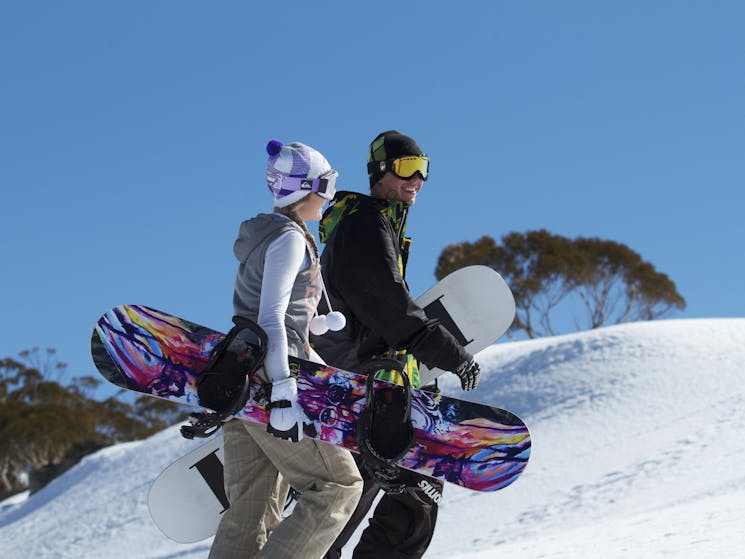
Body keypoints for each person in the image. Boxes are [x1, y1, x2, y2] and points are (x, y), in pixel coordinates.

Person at [312, 130, 481, 559]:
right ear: (380, 173)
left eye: (423, 169)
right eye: (407, 168)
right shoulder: (364, 223)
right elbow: (389, 305)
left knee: (396, 489)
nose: (417, 179)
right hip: (364, 382)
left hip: (376, 378)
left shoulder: (377, 223)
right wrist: (449, 354)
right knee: (398, 487)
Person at [208, 139, 363, 559]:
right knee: (338, 488)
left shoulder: (270, 235)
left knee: (251, 511)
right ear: (305, 188)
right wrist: (283, 390)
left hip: (241, 379)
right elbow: (271, 318)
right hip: (272, 380)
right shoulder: (289, 239)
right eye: (327, 185)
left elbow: (273, 310)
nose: (329, 197)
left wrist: (313, 324)